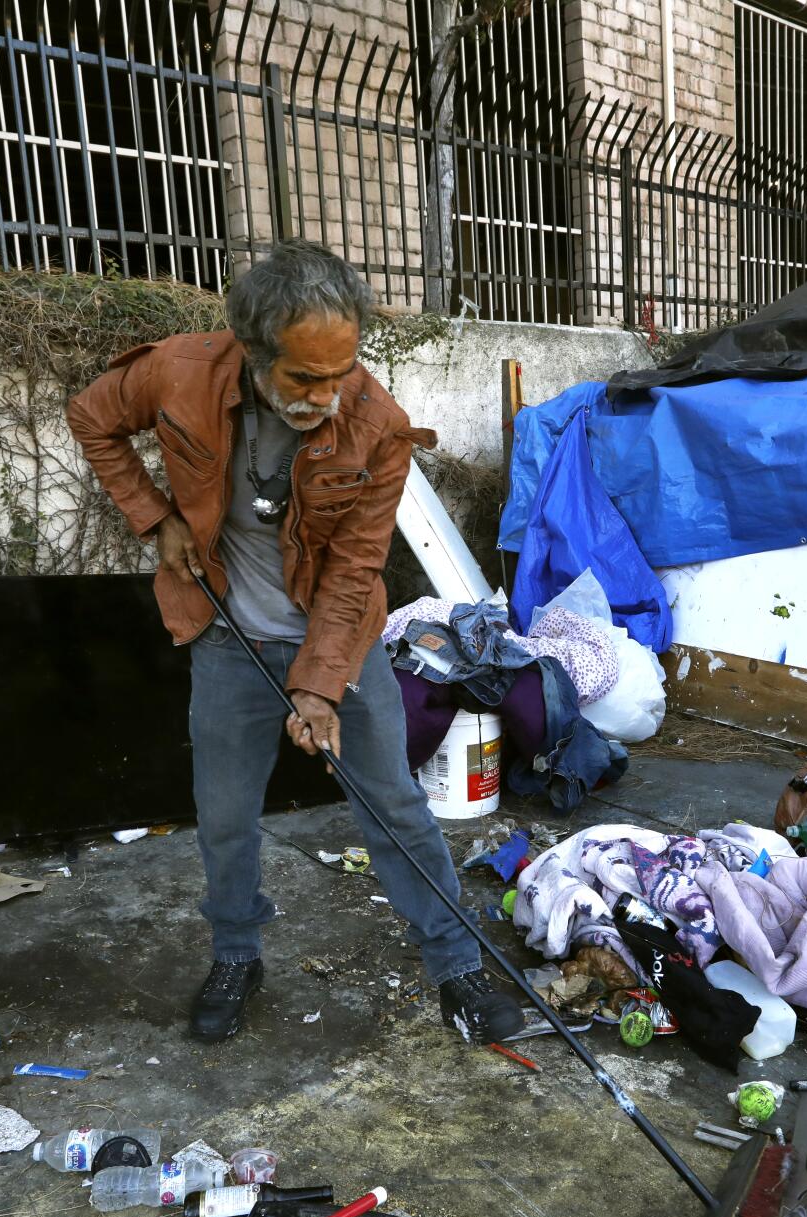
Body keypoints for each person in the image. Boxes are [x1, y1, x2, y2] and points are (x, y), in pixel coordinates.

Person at [67, 239, 526, 1046]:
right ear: (252, 352)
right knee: (225, 814)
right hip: (225, 637)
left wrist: (319, 687)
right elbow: (92, 417)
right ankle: (237, 954)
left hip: (339, 641)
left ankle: (457, 962)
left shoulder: (377, 428)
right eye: (305, 378)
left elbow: (353, 571)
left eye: (342, 371)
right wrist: (155, 516)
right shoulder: (177, 373)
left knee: (396, 808)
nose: (327, 394)